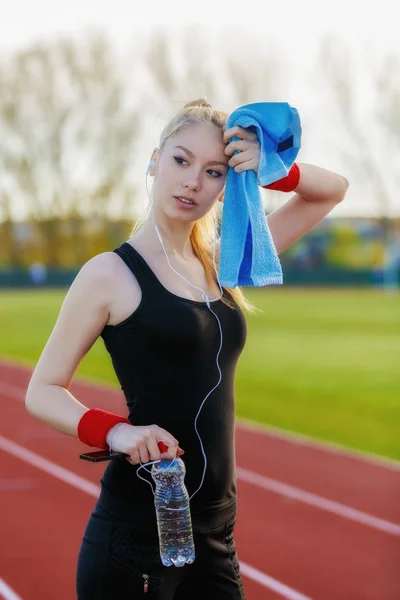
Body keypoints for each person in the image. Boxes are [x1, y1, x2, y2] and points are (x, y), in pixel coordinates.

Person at [25, 98, 349, 599]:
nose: (193, 182)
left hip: (216, 533)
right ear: (154, 161)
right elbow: (42, 390)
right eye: (181, 160)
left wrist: (271, 168)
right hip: (137, 536)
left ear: (228, 184)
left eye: (214, 171)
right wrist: (117, 432)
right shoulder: (108, 274)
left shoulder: (224, 262)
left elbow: (330, 192)